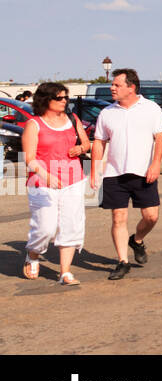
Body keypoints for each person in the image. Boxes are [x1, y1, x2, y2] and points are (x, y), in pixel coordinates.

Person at [89, 69, 162, 281]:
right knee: (118, 217)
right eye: (112, 85)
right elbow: (99, 141)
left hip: (144, 172)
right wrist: (95, 170)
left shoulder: (151, 109)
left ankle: (138, 240)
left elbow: (160, 137)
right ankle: (122, 262)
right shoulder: (107, 112)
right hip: (114, 173)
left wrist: (156, 164)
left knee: (151, 216)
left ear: (131, 87)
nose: (111, 88)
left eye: (116, 85)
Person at [22, 83, 91, 284]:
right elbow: (29, 158)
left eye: (65, 98)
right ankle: (33, 254)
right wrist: (47, 176)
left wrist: (80, 149)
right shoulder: (34, 124)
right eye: (59, 98)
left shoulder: (72, 119)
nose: (64, 102)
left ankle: (65, 272)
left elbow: (86, 143)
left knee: (71, 224)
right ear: (46, 100)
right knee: (46, 227)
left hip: (74, 179)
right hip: (42, 182)